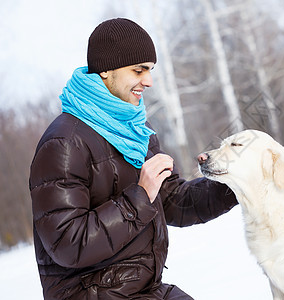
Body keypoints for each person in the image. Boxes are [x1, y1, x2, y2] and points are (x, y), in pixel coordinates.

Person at [29, 18, 238, 300]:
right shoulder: (64, 143)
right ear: (105, 69)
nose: (149, 81)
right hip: (89, 293)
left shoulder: (137, 130)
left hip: (141, 289)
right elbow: (68, 243)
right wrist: (140, 194)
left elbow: (173, 201)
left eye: (150, 70)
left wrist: (235, 182)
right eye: (139, 70)